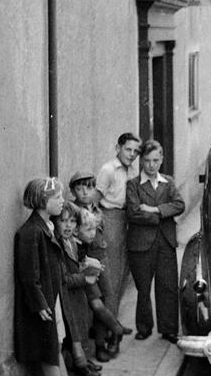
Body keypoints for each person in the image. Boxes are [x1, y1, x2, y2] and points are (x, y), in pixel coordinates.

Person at [14, 177, 100, 376]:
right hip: (44, 303)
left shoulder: (47, 227)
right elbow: (29, 275)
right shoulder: (31, 232)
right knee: (48, 350)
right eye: (57, 198)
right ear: (43, 201)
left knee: (56, 345)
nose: (63, 202)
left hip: (54, 298)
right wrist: (40, 303)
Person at [126, 139, 185, 343]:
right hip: (141, 244)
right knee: (143, 287)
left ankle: (168, 329)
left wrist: (155, 210)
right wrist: (164, 215)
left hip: (166, 242)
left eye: (156, 160)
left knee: (168, 286)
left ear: (162, 160)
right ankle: (144, 327)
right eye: (147, 161)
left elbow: (180, 204)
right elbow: (134, 213)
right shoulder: (133, 185)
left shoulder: (168, 181)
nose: (151, 165)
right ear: (141, 161)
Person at [95, 132, 141, 326]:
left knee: (124, 273)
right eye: (128, 149)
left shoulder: (132, 171)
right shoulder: (108, 170)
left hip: (127, 219)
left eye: (135, 151)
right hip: (111, 218)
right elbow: (96, 200)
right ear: (118, 148)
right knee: (112, 274)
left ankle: (114, 319)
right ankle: (109, 325)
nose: (131, 154)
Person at [52, 202, 100, 376]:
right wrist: (84, 278)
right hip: (67, 295)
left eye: (72, 221)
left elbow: (75, 264)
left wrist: (87, 266)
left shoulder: (71, 241)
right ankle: (77, 366)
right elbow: (63, 278)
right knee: (71, 335)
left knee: (80, 326)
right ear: (56, 222)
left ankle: (82, 361)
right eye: (63, 221)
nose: (68, 226)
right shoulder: (58, 244)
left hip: (76, 293)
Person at [76, 207, 124, 362]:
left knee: (99, 304)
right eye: (88, 230)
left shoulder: (87, 239)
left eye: (94, 230)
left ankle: (103, 341)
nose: (92, 233)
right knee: (96, 306)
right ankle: (116, 329)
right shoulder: (75, 241)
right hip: (81, 275)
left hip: (90, 271)